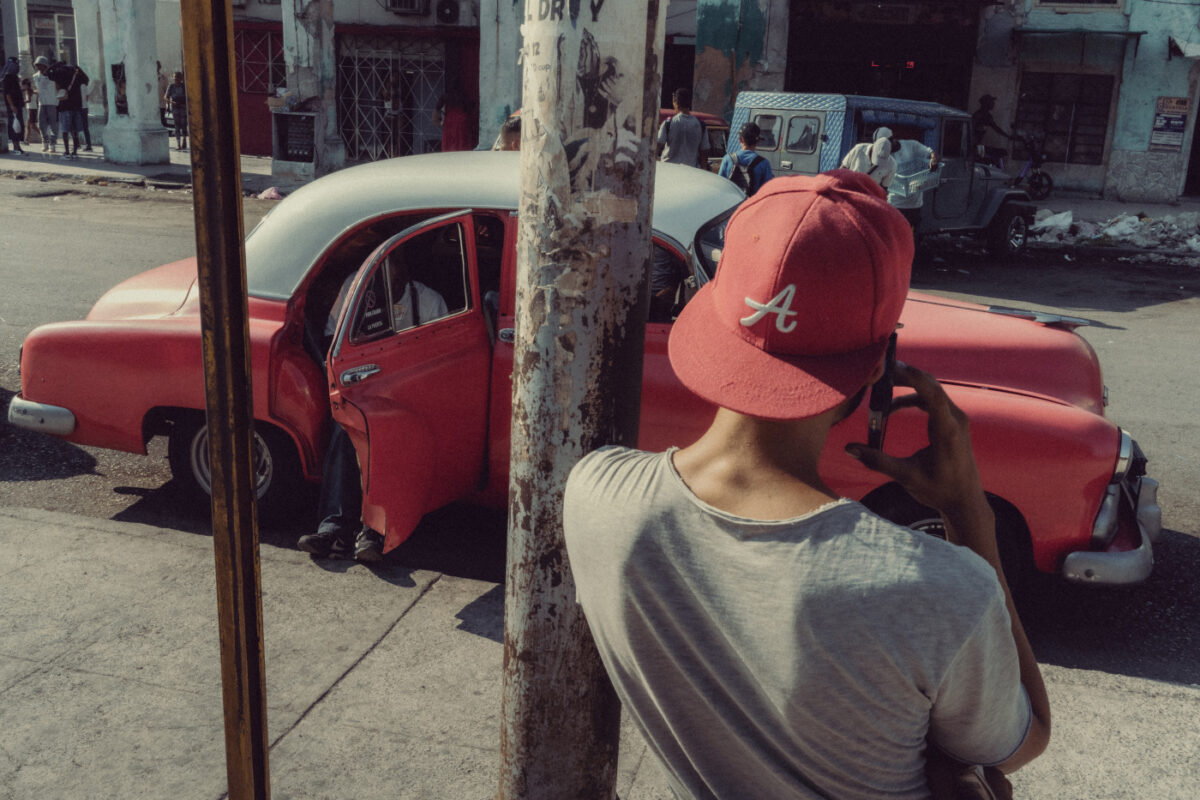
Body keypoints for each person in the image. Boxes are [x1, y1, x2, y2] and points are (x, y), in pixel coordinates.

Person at [564, 171, 1050, 800]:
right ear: (879, 364)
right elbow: (1022, 740)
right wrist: (968, 513)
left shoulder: (596, 496)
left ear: (712, 317)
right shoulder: (944, 591)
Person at [297, 260, 448, 562]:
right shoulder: (356, 285)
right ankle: (334, 529)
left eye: (392, 276)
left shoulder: (430, 302)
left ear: (406, 271)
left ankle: (374, 532)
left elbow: (444, 357)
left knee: (390, 439)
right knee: (346, 430)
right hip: (363, 391)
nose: (383, 286)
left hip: (408, 398)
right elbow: (331, 339)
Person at [888, 135, 939, 228]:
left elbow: (930, 152)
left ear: (893, 140)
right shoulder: (884, 154)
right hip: (895, 205)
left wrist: (933, 160)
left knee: (912, 237)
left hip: (915, 206)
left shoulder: (911, 145)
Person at [718, 121, 773, 196]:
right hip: (751, 205)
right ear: (757, 142)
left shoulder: (727, 159)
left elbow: (719, 186)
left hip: (731, 204)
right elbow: (767, 191)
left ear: (741, 139)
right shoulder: (764, 163)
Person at [657, 87, 703, 167]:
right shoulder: (700, 125)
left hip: (670, 170)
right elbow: (704, 151)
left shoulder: (668, 123)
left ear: (675, 103)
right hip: (691, 172)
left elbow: (657, 146)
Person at [57, 64, 88, 159]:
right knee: (74, 131)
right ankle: (74, 151)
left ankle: (66, 151)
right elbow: (86, 80)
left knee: (65, 130)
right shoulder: (78, 77)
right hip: (76, 107)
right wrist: (78, 69)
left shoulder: (61, 76)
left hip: (65, 107)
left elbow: (49, 73)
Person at [31, 56, 59, 153]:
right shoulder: (35, 76)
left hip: (52, 103)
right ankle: (45, 142)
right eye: (38, 65)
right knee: (41, 124)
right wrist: (32, 91)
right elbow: (38, 90)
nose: (39, 67)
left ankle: (53, 144)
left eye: (41, 65)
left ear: (45, 65)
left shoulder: (53, 76)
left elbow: (58, 87)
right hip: (41, 103)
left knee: (53, 125)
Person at [2, 57, 26, 155]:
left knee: (19, 125)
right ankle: (16, 147)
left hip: (17, 105)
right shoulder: (7, 77)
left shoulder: (15, 77)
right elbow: (7, 93)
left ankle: (18, 146)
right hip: (12, 106)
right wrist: (12, 105)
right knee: (14, 125)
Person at [165, 71, 187, 150]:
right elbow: (166, 97)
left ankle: (184, 139)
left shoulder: (184, 86)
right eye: (175, 78)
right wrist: (172, 102)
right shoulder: (171, 86)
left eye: (178, 78)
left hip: (183, 107)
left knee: (184, 124)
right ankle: (178, 144)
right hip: (175, 107)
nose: (176, 79)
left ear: (181, 79)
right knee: (177, 126)